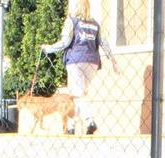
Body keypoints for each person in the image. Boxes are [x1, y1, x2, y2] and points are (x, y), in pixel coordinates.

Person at [40, 0, 118, 135]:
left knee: (78, 93)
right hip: (92, 61)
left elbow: (65, 42)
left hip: (76, 60)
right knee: (79, 94)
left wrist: (48, 48)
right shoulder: (95, 24)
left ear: (76, 6)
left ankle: (89, 120)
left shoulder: (71, 21)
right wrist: (113, 60)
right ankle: (71, 126)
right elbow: (103, 42)